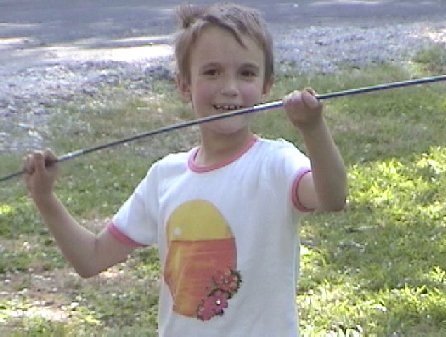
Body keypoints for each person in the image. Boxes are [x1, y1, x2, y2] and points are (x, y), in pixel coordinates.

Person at [23, 3, 347, 337]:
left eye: (246, 73)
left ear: (267, 85)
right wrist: (45, 198)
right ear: (183, 85)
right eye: (212, 72)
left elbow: (333, 196)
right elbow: (90, 259)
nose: (230, 87)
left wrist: (313, 129)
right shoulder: (165, 177)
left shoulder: (276, 163)